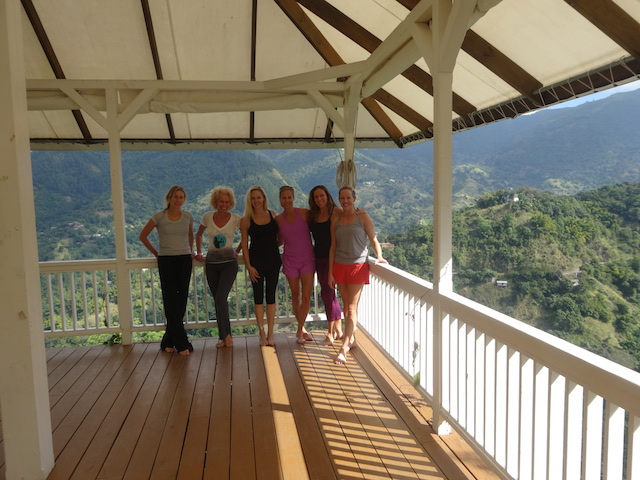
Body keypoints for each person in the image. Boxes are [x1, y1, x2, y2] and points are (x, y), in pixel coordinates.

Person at [329, 186, 387, 365]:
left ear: (354, 198)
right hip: (340, 266)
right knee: (347, 307)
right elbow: (333, 246)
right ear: (339, 200)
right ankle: (351, 338)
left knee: (352, 308)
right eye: (342, 198)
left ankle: (344, 346)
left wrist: (379, 257)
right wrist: (330, 272)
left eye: (348, 197)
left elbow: (373, 239)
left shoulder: (363, 216)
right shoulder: (336, 218)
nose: (345, 201)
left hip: (358, 267)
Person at [139, 185, 195, 356]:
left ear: (184, 199)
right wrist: (156, 253)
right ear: (169, 198)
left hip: (185, 259)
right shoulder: (159, 217)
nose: (178, 200)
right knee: (170, 300)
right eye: (175, 197)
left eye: (181, 197)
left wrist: (190, 250)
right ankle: (182, 343)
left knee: (181, 300)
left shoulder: (188, 217)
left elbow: (191, 235)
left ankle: (168, 341)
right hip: (166, 260)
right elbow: (143, 235)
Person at [195, 186, 241, 348]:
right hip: (211, 265)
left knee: (221, 298)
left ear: (231, 203)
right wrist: (199, 252)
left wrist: (238, 250)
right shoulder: (207, 217)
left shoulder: (236, 218)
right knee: (218, 301)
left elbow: (246, 234)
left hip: (229, 264)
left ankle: (227, 337)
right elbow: (199, 234)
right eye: (221, 201)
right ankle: (225, 337)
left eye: (227, 202)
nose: (224, 204)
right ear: (216, 201)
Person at [240, 186, 281, 347]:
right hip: (256, 263)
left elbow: (279, 237)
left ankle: (271, 333)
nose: (256, 201)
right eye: (253, 198)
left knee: (271, 298)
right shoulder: (246, 219)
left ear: (264, 198)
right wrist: (249, 266)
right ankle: (261, 333)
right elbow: (244, 244)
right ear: (249, 201)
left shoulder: (273, 214)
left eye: (258, 197)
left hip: (273, 261)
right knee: (258, 298)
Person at [276, 186, 315, 345]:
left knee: (306, 297)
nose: (287, 200)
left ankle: (299, 330)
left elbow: (322, 220)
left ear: (293, 198)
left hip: (307, 259)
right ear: (280, 200)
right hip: (290, 260)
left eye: (289, 197)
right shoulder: (278, 219)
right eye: (284, 198)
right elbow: (278, 241)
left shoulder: (304, 213)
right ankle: (302, 328)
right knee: (295, 295)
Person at [308, 185, 343, 346]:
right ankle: (339, 329)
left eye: (321, 195)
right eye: (316, 197)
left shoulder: (335, 212)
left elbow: (351, 219)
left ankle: (330, 333)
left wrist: (361, 213)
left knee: (327, 294)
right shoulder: (313, 215)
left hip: (333, 259)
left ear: (327, 196)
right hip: (318, 258)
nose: (319, 199)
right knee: (329, 294)